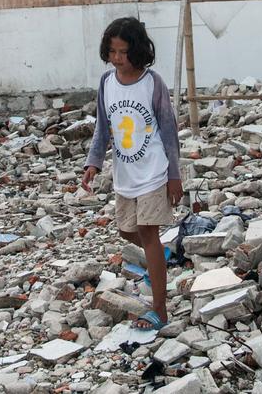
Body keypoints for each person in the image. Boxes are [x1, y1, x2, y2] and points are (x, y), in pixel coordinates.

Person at [81, 16, 182, 332]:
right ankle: (160, 259)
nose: (116, 58)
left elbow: (168, 129)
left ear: (137, 51)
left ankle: (160, 309)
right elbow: (103, 128)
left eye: (122, 52)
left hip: (154, 171)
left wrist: (174, 175)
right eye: (111, 51)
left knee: (148, 232)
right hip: (125, 173)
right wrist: (93, 163)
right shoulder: (106, 84)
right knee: (127, 232)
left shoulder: (153, 84)